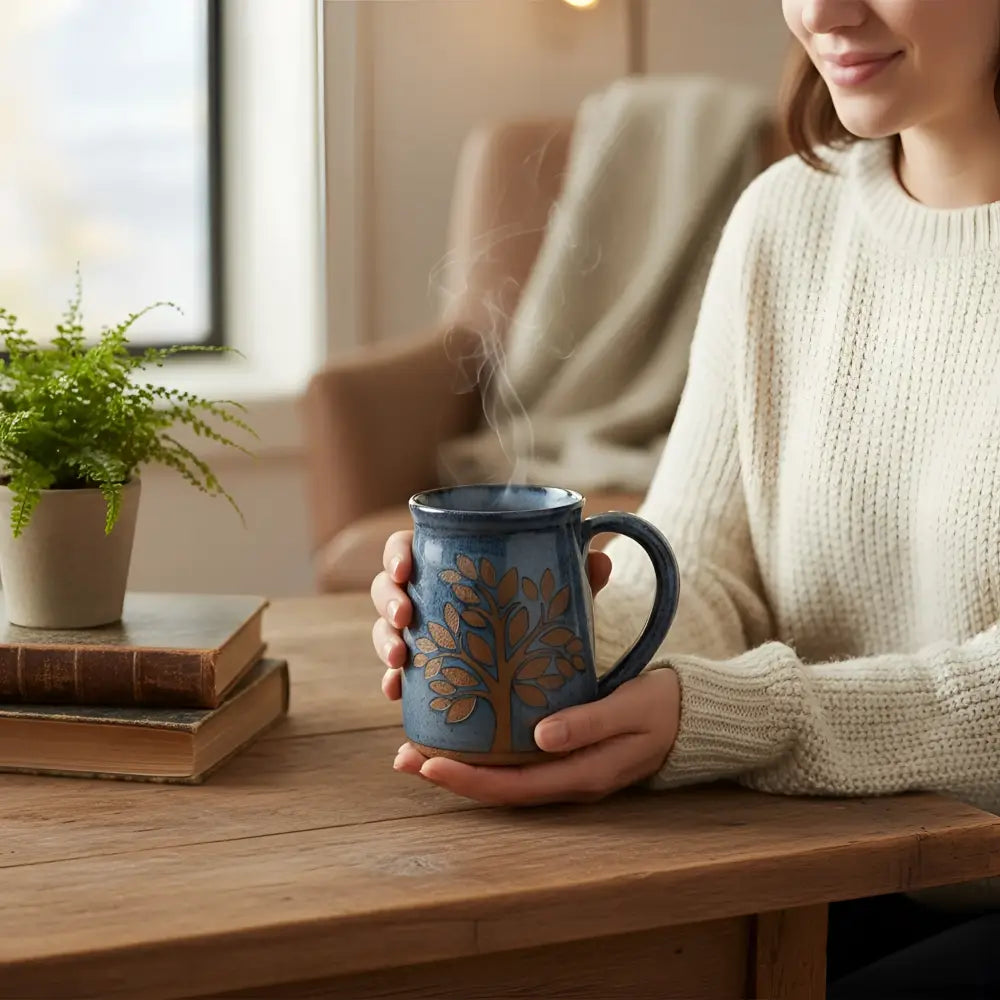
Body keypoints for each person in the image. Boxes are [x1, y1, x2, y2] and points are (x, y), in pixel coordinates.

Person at [370, 0, 1000, 994]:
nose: (821, 13)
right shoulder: (787, 216)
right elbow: (702, 567)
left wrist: (733, 716)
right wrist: (563, 638)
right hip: (830, 858)